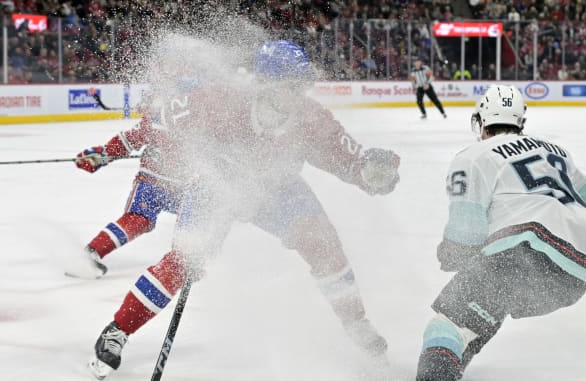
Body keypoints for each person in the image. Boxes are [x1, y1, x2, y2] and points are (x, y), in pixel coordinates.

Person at [88, 39, 401, 380]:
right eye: (289, 86)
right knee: (184, 260)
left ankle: (358, 327)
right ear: (265, 84)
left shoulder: (313, 119)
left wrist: (375, 173)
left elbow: (354, 163)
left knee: (322, 242)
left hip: (278, 190)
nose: (298, 95)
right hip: (217, 186)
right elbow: (156, 123)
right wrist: (109, 151)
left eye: (301, 86)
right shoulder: (218, 100)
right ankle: (118, 329)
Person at [415, 84, 586, 380]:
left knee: (446, 324)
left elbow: (464, 239)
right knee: (487, 305)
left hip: (525, 252)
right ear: (520, 121)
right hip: (573, 276)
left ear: (481, 121)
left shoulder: (473, 157)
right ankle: (449, 367)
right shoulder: (556, 151)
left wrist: (449, 253)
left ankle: (436, 373)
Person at [67, 96, 182, 279]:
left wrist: (104, 155)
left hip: (171, 179)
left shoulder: (168, 106)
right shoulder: (204, 104)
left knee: (139, 218)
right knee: (200, 216)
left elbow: (132, 138)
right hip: (170, 180)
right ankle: (192, 259)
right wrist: (104, 155)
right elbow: (133, 137)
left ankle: (188, 260)